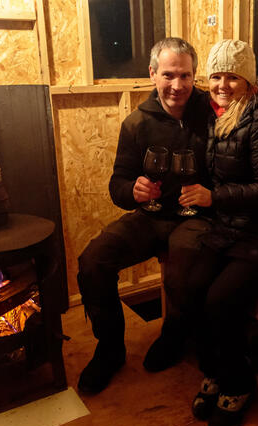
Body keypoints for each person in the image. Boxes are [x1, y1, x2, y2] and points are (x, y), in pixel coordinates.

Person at [170, 39, 258, 426]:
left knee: (220, 300)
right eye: (216, 75)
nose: (222, 84)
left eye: (232, 76)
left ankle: (238, 383)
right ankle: (214, 371)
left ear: (249, 80)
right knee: (191, 287)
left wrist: (214, 196)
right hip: (232, 227)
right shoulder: (222, 114)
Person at [76, 37, 210, 394]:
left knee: (183, 261)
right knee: (93, 261)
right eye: (168, 75)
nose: (177, 85)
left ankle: (173, 336)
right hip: (150, 216)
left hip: (196, 216)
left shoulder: (211, 114)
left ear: (195, 76)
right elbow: (117, 184)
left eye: (185, 76)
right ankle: (110, 349)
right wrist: (130, 191)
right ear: (153, 74)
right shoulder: (136, 123)